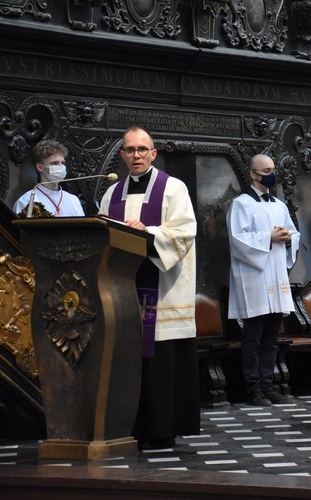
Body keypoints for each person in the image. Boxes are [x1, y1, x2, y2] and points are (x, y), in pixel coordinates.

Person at [99, 127, 199, 450]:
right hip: (122, 294)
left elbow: (185, 231)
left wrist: (149, 233)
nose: (137, 155)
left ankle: (162, 429)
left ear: (153, 154)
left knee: (159, 364)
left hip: (163, 290)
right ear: (123, 155)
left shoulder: (173, 189)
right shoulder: (111, 194)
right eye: (130, 150)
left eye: (143, 149)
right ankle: (127, 425)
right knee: (127, 360)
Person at [226, 154, 300, 406]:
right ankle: (253, 389)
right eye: (266, 170)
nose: (271, 173)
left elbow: (294, 233)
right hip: (254, 279)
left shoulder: (279, 205)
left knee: (271, 337)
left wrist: (288, 238)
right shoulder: (241, 204)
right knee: (253, 338)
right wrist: (268, 237)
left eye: (273, 168)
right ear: (252, 174)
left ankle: (268, 386)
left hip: (276, 276)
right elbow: (237, 240)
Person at [13, 140, 85, 217]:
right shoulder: (26, 201)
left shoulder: (73, 200)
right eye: (54, 163)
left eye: (62, 163)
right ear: (40, 167)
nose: (61, 167)